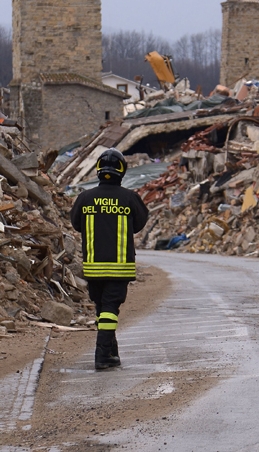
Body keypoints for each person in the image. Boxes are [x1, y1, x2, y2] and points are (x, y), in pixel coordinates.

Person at [69, 148, 149, 370]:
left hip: (94, 267)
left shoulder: (85, 198)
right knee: (110, 309)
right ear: (122, 171)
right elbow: (140, 224)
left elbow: (76, 224)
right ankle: (102, 354)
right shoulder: (130, 198)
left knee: (103, 307)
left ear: (98, 169)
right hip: (119, 267)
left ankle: (111, 351)